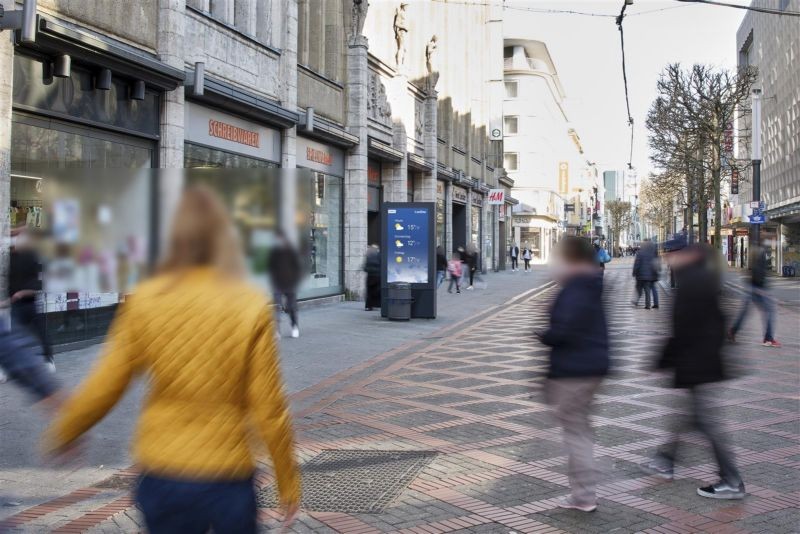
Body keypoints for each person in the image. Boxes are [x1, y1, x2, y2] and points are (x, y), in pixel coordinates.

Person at [44, 186, 301, 533]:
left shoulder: (146, 299)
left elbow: (106, 383)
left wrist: (66, 430)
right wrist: (287, 481)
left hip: (163, 468)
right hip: (227, 473)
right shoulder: (249, 303)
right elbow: (269, 407)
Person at [640, 239, 745, 500]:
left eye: (669, 254)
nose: (666, 259)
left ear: (682, 255)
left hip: (698, 362)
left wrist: (663, 360)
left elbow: (685, 328)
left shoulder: (694, 282)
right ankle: (665, 459)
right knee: (692, 418)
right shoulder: (698, 277)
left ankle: (731, 480)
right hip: (700, 361)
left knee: (704, 422)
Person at [538, 236, 609, 513]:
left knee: (576, 433)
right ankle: (584, 490)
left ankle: (584, 494)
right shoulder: (589, 283)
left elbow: (563, 330)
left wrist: (545, 335)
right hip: (590, 367)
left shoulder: (577, 287)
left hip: (575, 370)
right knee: (579, 430)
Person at [7, 226, 54, 371]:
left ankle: (49, 360)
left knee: (40, 332)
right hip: (16, 303)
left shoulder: (32, 254)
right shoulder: (11, 257)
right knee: (12, 336)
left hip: (30, 300)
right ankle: (10, 365)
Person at [729, 245, 780, 347]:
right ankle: (768, 339)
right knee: (770, 311)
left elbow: (754, 271)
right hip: (757, 288)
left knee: (744, 312)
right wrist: (762, 289)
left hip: (752, 287)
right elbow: (758, 272)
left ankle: (732, 331)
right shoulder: (761, 253)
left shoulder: (757, 253)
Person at [269, 230, 303, 338]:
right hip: (277, 284)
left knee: (291, 307)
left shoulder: (291, 252)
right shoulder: (274, 253)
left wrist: (295, 280)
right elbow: (270, 268)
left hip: (290, 284)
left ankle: (294, 326)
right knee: (276, 307)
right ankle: (276, 330)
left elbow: (297, 268)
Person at [631, 239, 660, 309]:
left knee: (639, 288)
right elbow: (657, 262)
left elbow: (637, 264)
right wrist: (657, 271)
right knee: (648, 290)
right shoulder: (654, 252)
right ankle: (649, 304)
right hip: (651, 274)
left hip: (641, 275)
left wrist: (634, 272)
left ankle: (636, 300)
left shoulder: (640, 252)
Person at [364, 244, 381, 310]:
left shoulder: (369, 256)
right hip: (377, 276)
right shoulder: (379, 255)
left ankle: (368, 306)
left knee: (369, 292)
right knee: (377, 291)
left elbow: (365, 267)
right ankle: (377, 305)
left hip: (370, 276)